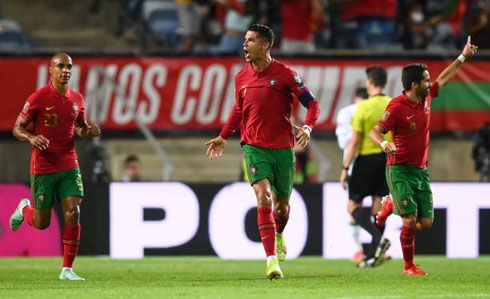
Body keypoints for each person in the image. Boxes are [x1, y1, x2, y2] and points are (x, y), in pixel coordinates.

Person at [205, 23, 320, 279]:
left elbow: (312, 104)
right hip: (254, 147)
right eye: (245, 40)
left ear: (265, 45)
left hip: (282, 148)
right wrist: (224, 136)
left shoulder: (286, 74)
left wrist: (309, 128)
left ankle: (279, 235)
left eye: (251, 40)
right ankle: (271, 261)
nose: (245, 45)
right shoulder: (241, 78)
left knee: (281, 207)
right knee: (263, 197)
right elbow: (238, 110)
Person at [370, 36, 478, 275]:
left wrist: (462, 57)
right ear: (413, 85)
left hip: (421, 170)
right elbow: (374, 131)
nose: (430, 84)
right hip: (399, 169)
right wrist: (384, 144)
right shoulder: (397, 107)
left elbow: (444, 79)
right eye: (426, 81)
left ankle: (388, 204)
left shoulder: (426, 97)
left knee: (424, 224)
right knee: (409, 220)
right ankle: (409, 267)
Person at [9, 53, 101, 280]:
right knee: (41, 223)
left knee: (73, 211)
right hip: (43, 166)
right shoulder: (39, 97)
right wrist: (31, 138)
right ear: (51, 70)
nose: (66, 70)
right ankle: (24, 209)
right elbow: (17, 128)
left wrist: (87, 132)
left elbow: (79, 127)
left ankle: (67, 269)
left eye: (69, 66)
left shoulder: (77, 98)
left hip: (69, 162)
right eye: (60, 66)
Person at [339, 66, 392, 267]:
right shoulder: (392, 104)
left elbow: (354, 142)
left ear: (370, 82)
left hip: (366, 159)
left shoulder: (363, 107)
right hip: (387, 159)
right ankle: (372, 255)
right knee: (378, 207)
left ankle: (377, 241)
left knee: (353, 206)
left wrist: (345, 169)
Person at [335, 87, 368, 262]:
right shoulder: (350, 113)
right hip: (365, 163)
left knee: (355, 205)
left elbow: (343, 142)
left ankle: (360, 249)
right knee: (375, 204)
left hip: (356, 164)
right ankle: (363, 248)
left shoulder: (345, 113)